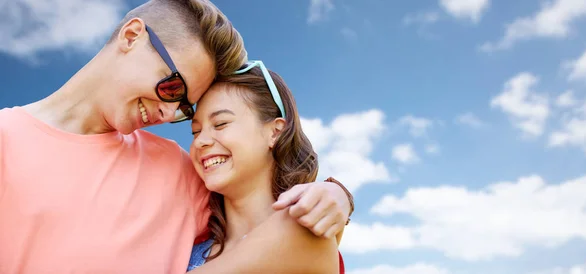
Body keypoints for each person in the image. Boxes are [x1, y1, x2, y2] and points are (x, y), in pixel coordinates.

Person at [0, 0, 354, 273]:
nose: (169, 115)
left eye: (183, 107)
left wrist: (336, 195)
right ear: (132, 36)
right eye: (173, 87)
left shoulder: (177, 169)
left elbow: (267, 212)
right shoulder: (7, 140)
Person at [185, 60, 343, 273]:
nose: (200, 141)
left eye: (220, 123)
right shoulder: (189, 248)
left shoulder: (303, 229)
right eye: (195, 132)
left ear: (275, 132)